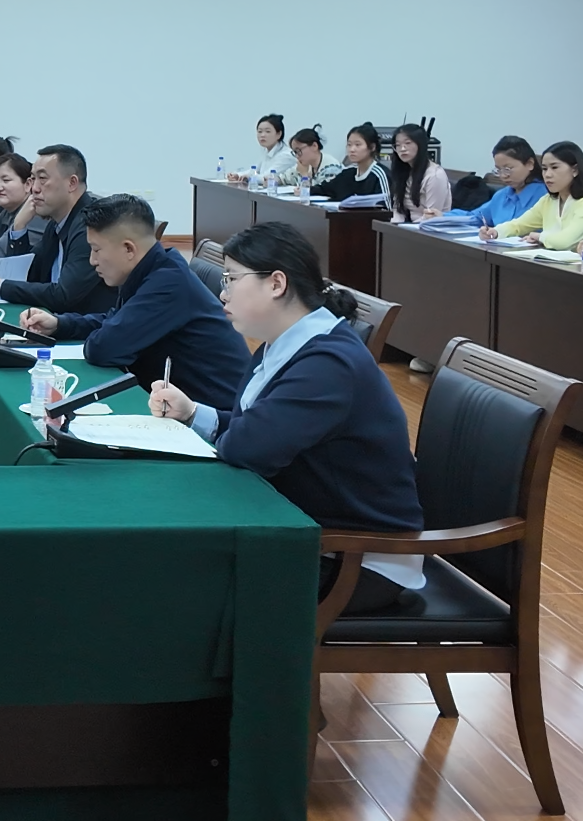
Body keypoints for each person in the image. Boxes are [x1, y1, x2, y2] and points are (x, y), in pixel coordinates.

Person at [144, 221, 424, 617]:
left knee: (168, 576)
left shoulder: (327, 364)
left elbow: (247, 448)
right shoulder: (286, 342)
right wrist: (192, 413)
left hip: (354, 559)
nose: (223, 292)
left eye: (232, 279)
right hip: (304, 528)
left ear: (276, 283)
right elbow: (253, 427)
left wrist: (229, 433)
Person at [15, 194, 251, 409]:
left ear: (129, 249)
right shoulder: (153, 268)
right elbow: (116, 320)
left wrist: (102, 332)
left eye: (96, 250)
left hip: (213, 419)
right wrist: (60, 324)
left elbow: (103, 349)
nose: (92, 260)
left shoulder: (168, 284)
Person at [0, 144, 119, 315]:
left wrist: (0, 287)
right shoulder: (56, 223)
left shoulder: (90, 226)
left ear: (72, 183)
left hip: (85, 325)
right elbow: (27, 272)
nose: (34, 188)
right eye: (33, 178)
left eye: (43, 179)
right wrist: (19, 226)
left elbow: (63, 295)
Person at [483, 141, 583, 249]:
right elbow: (519, 225)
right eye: (544, 169)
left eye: (554, 167)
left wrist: (539, 237)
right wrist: (495, 232)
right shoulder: (548, 201)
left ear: (575, 170)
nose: (548, 174)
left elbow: (565, 242)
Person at [449, 137, 546, 227]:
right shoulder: (502, 195)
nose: (503, 175)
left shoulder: (546, 196)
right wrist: (443, 216)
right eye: (498, 170)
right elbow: (475, 217)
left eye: (508, 169)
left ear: (529, 164)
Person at [386, 123, 452, 223]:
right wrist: (394, 226)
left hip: (430, 227)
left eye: (408, 143)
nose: (402, 149)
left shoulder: (435, 175)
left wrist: (407, 228)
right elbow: (398, 209)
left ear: (420, 145)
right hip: (410, 226)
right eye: (398, 145)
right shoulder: (403, 172)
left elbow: (432, 215)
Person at [314, 123, 389, 202]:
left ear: (372, 147)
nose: (352, 149)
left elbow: (386, 207)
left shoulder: (379, 175)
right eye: (349, 145)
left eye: (357, 145)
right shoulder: (348, 173)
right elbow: (324, 189)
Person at [228, 115, 297, 186]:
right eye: (260, 131)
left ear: (279, 134)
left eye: (267, 131)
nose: (262, 135)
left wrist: (250, 177)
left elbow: (267, 177)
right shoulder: (267, 151)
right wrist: (238, 175)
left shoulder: (286, 156)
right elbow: (255, 170)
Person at [283, 126, 329, 192]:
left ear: (314, 146)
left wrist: (304, 175)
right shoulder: (307, 164)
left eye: (298, 151)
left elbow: (321, 191)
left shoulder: (331, 168)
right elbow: (285, 178)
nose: (297, 156)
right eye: (295, 152)